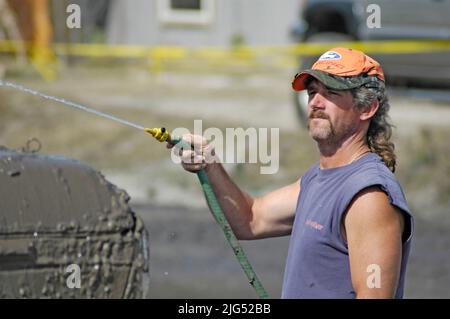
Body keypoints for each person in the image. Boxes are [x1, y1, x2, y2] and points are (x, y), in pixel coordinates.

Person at [168, 47, 414, 299]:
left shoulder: (368, 196)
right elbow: (250, 219)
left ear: (367, 108)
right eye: (312, 92)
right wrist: (209, 164)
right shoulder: (318, 178)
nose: (316, 102)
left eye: (330, 92)